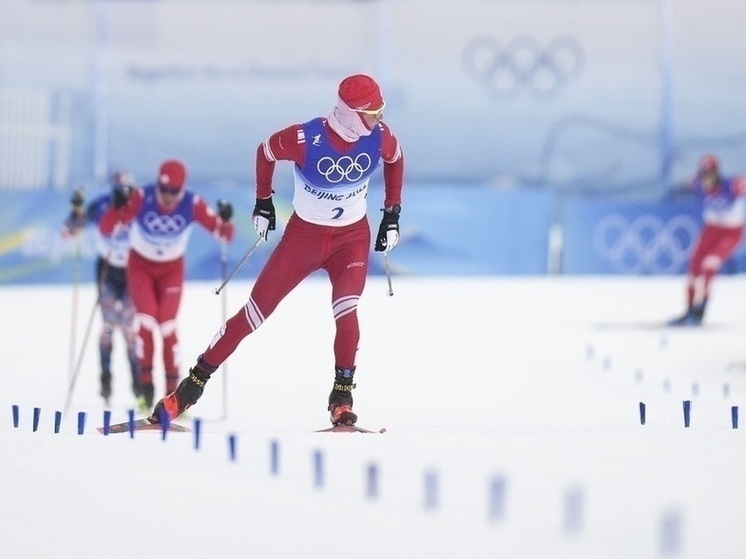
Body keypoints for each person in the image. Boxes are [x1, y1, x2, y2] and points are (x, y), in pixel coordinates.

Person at [148, 73, 404, 427]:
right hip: (304, 239)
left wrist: (392, 213)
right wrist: (263, 201)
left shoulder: (379, 136)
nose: (379, 119)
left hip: (351, 240)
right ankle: (188, 390)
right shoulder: (305, 138)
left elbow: (396, 158)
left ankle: (341, 399)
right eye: (372, 113)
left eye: (380, 111)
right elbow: (266, 151)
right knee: (253, 315)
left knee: (347, 310)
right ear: (350, 115)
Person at [98, 159, 235, 410]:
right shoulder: (142, 196)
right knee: (147, 322)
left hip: (171, 270)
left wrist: (225, 219)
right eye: (163, 190)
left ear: (182, 189)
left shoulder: (192, 203)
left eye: (174, 191)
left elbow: (225, 234)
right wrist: (117, 207)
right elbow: (108, 228)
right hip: (140, 266)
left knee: (168, 326)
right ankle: (146, 390)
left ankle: (174, 396)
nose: (167, 196)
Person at [61, 171, 141, 404]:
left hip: (132, 272)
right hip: (107, 270)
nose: (124, 195)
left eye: (128, 190)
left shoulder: (139, 205)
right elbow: (69, 230)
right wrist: (75, 209)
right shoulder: (101, 205)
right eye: (119, 191)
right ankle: (105, 380)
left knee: (129, 328)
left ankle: (138, 385)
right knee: (107, 326)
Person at [669, 154, 746, 326]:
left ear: (717, 173)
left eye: (710, 174)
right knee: (693, 267)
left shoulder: (732, 185)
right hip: (711, 229)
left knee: (709, 264)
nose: (706, 179)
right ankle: (689, 310)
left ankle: (701, 309)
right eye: (703, 174)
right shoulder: (696, 185)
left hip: (731, 232)